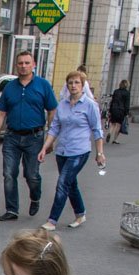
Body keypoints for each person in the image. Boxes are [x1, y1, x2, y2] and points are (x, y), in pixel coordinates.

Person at [0, 50, 58, 221]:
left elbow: (52, 111)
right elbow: (1, 113)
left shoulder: (43, 85)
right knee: (9, 173)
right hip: (12, 137)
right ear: (16, 66)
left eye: (27, 63)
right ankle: (12, 209)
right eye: (20, 63)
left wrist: (50, 139)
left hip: (34, 137)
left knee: (31, 175)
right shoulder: (10, 87)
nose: (23, 66)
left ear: (33, 65)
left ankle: (35, 197)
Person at [37, 72, 105, 231]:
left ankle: (52, 220)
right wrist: (44, 147)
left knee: (62, 183)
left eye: (77, 83)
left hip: (79, 151)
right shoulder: (62, 104)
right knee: (71, 184)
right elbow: (55, 128)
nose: (73, 86)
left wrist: (100, 153)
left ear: (83, 85)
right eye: (70, 83)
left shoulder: (90, 105)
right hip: (62, 151)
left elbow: (97, 130)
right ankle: (80, 214)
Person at [107, 80, 130, 144]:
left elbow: (112, 101)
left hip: (114, 109)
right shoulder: (127, 93)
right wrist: (127, 113)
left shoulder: (116, 91)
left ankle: (109, 133)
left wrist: (110, 110)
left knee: (113, 123)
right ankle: (115, 139)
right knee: (118, 125)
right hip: (121, 110)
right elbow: (127, 104)